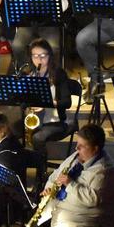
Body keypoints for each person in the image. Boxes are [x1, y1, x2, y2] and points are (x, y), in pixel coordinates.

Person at [31, 123, 114, 227]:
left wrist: (70, 184)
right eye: (77, 145)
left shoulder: (106, 171)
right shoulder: (76, 158)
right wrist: (50, 187)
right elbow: (56, 176)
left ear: (95, 148)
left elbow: (92, 200)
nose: (76, 149)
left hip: (90, 219)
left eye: (81, 146)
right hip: (65, 212)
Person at [24, 39, 72, 188]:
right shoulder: (28, 73)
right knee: (12, 131)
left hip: (56, 121)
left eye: (43, 55)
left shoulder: (58, 74)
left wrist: (48, 103)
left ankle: (41, 174)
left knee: (38, 138)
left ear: (50, 56)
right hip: (35, 118)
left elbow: (67, 102)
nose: (39, 59)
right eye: (35, 56)